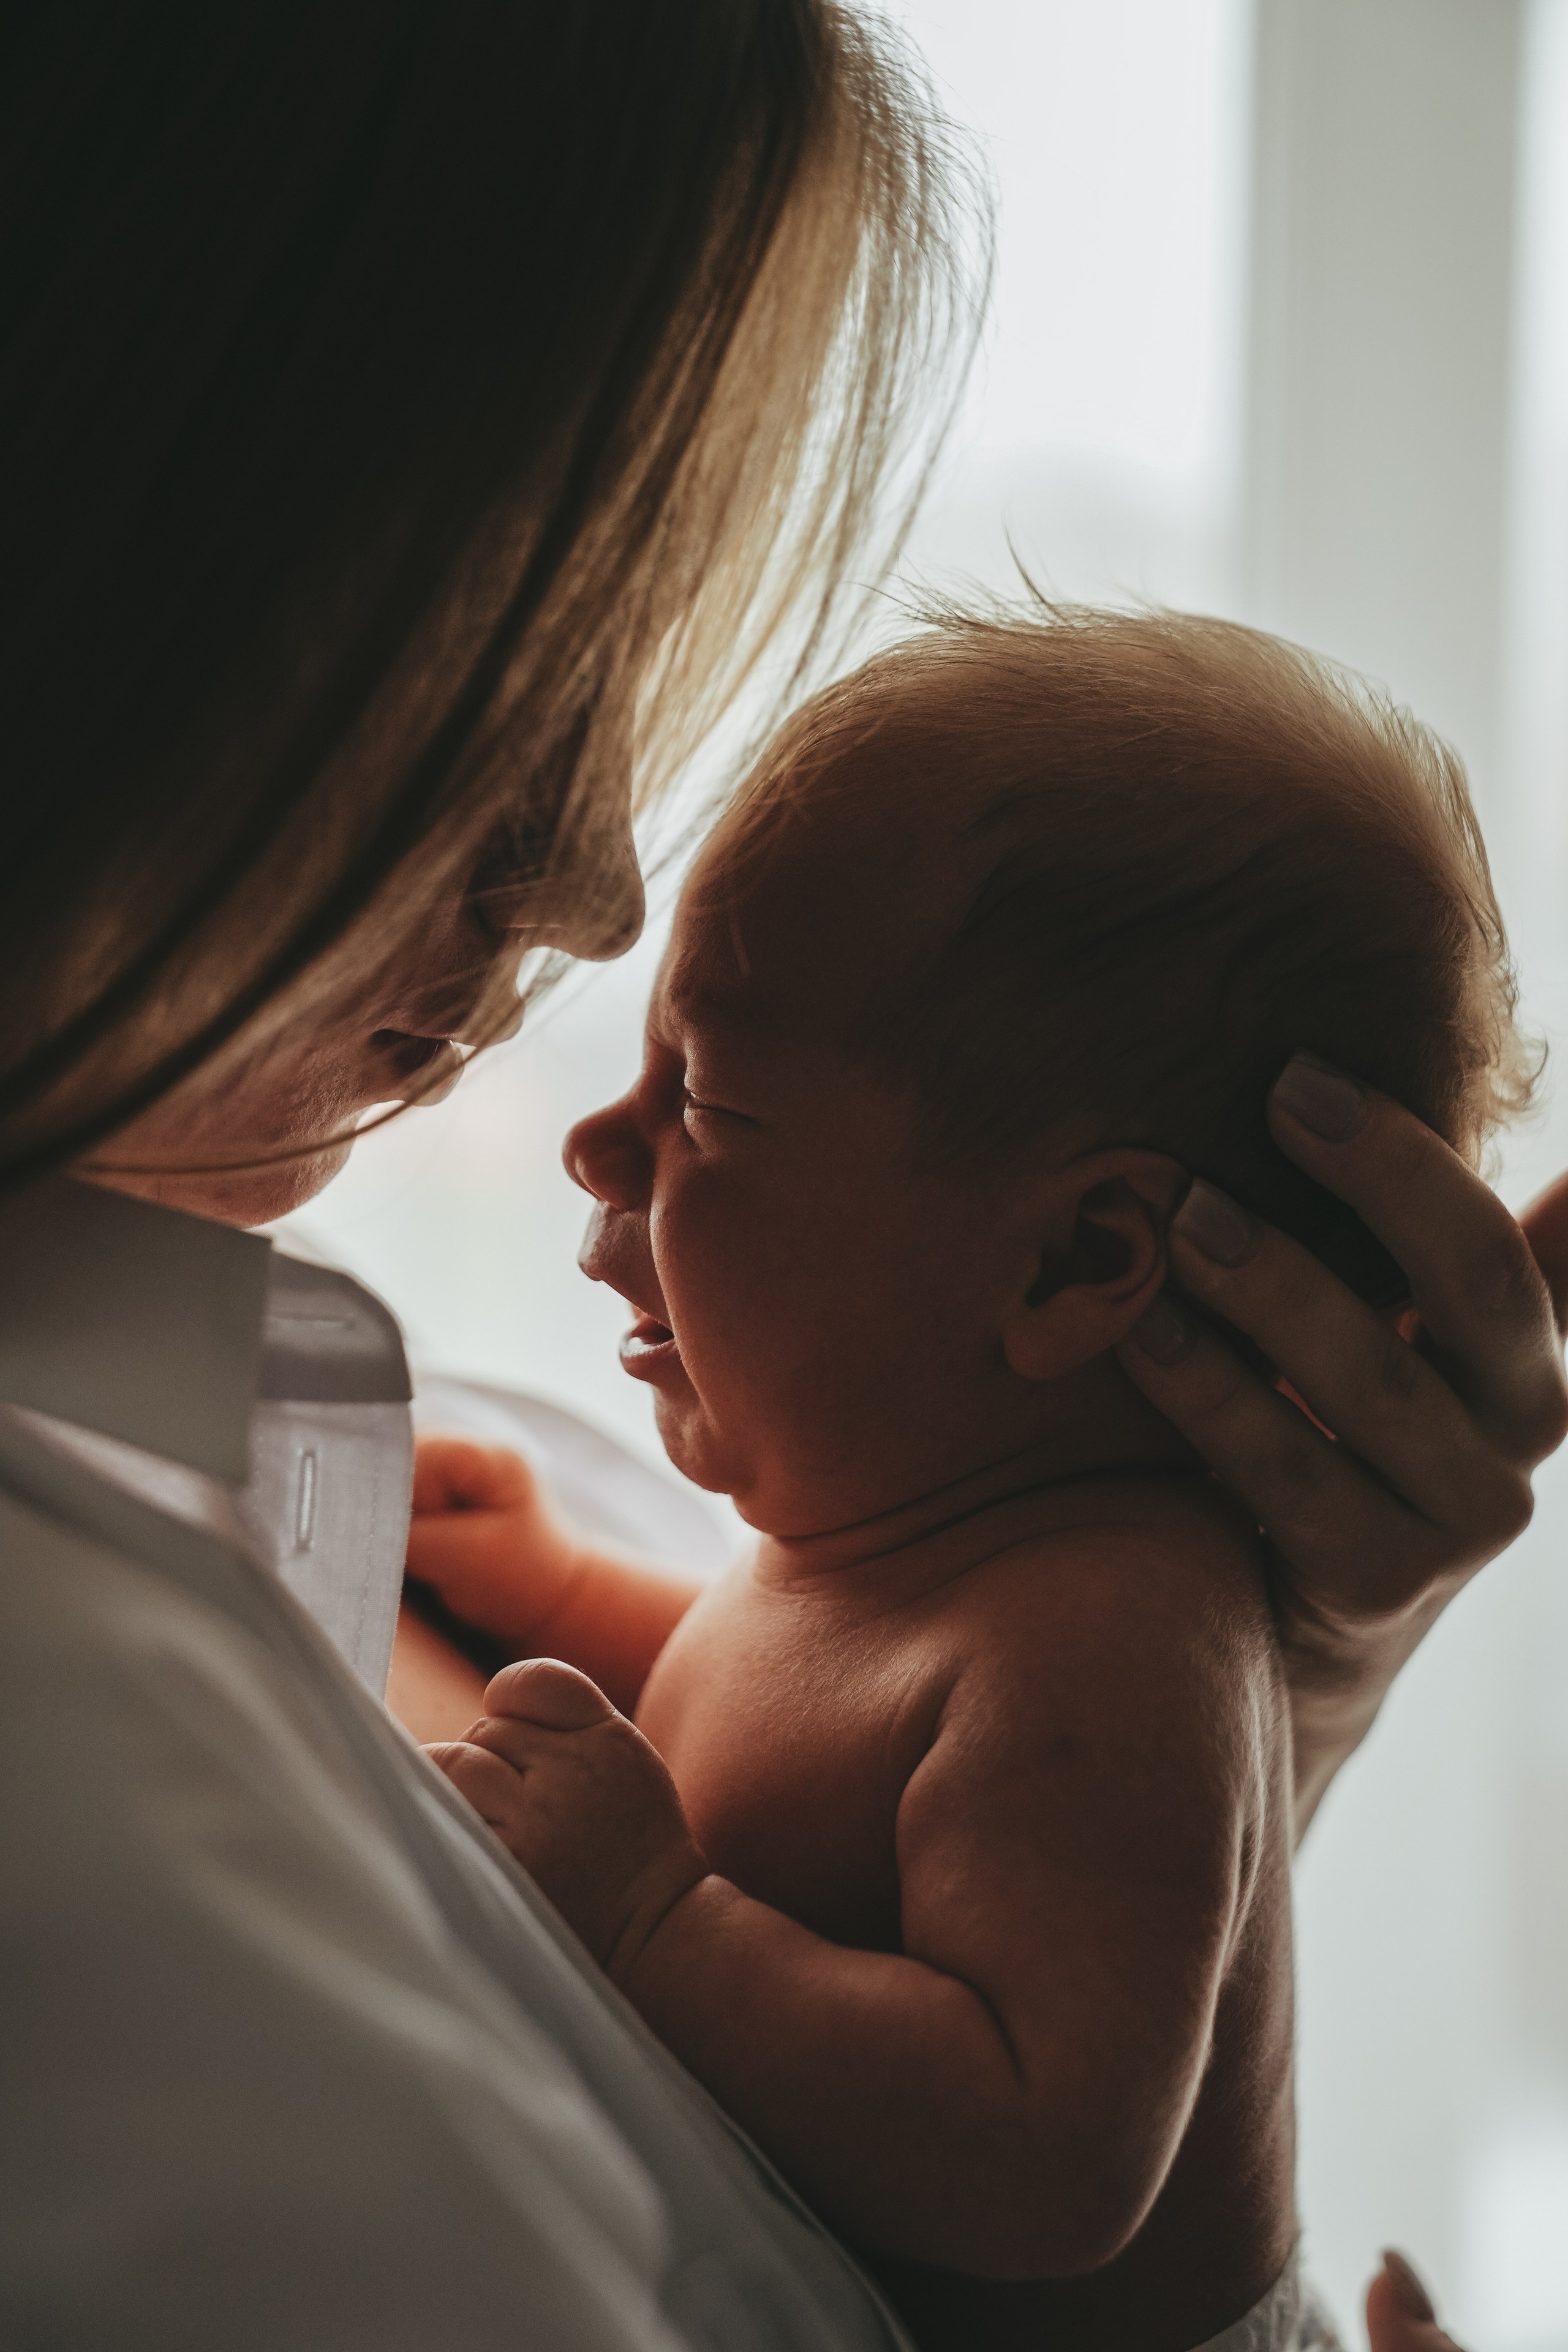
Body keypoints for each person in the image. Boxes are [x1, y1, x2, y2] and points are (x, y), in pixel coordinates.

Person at [0, 9, 1560, 2348]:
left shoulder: (902, 1534)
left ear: (1082, 1260)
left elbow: (950, 1988)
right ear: (137, 524)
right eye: (512, 620)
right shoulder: (75, 1671)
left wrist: (1290, 1676)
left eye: (711, 1108)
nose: (590, 885)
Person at [406, 605, 1529, 2352]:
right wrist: (558, 1596)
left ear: (1077, 1263)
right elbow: (785, 1750)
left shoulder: (1113, 1637)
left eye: (697, 1096)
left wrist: (656, 1919)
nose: (595, 1145)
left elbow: (1046, 2160)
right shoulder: (905, 1575)